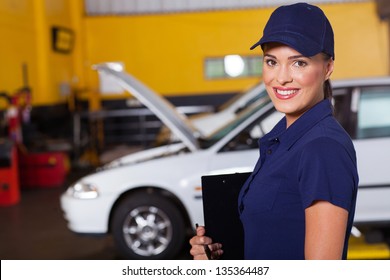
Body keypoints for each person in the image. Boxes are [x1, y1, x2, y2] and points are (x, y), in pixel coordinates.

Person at [189, 2, 359, 260]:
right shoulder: (283, 140)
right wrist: (217, 259)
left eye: (298, 63)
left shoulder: (322, 149)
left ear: (328, 68)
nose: (281, 78)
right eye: (271, 61)